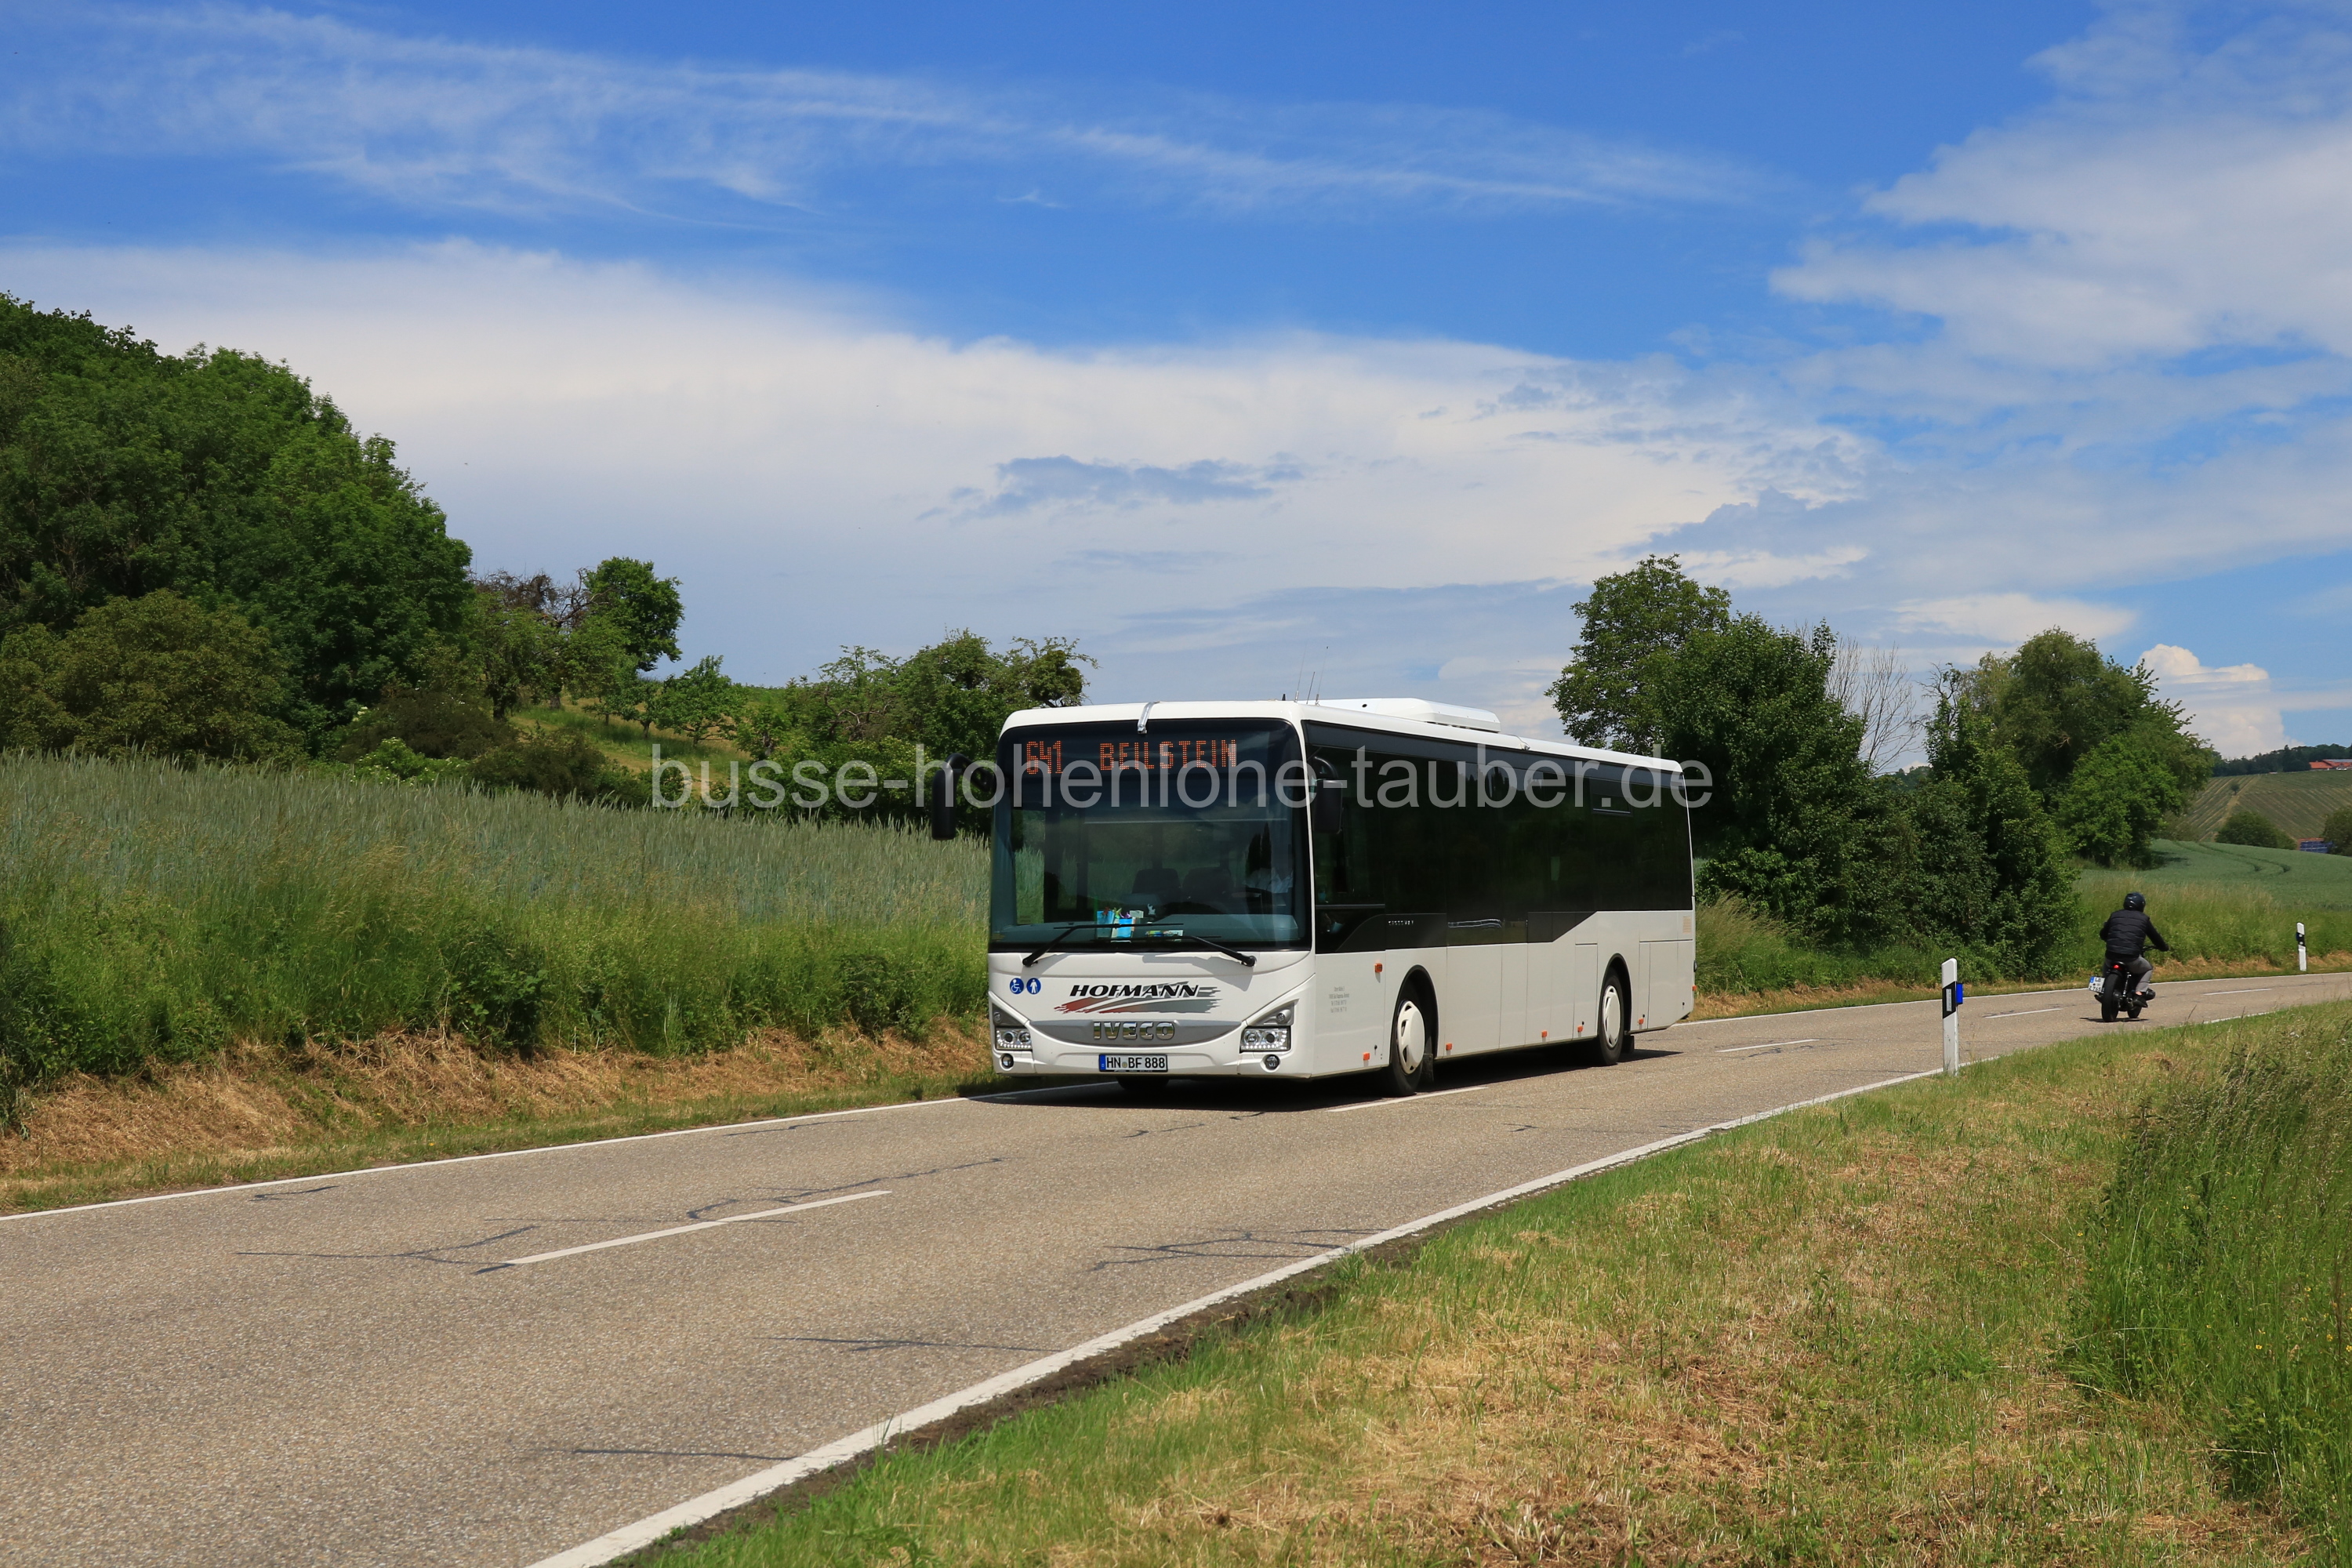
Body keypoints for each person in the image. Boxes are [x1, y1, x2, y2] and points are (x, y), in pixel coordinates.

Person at [2098, 891, 2170, 1000]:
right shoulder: (2144, 919)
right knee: (2147, 969)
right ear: (2141, 905)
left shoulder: (2115, 915)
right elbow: (2155, 937)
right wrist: (2163, 947)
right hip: (2131, 957)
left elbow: (2103, 934)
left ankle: (2103, 989)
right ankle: (2139, 993)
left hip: (2111, 955)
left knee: (2107, 965)